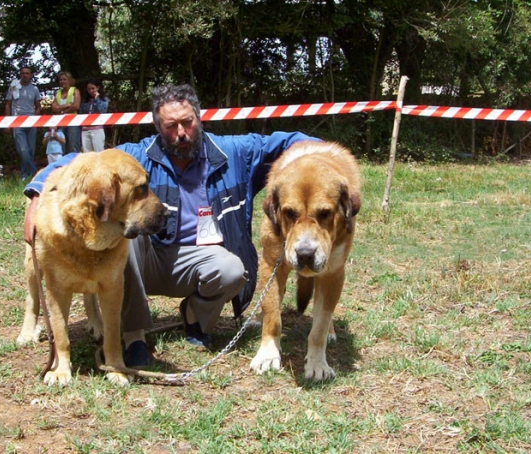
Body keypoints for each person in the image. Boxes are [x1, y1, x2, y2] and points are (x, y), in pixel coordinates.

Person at [23, 83, 320, 368]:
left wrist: (327, 160)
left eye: (187, 123)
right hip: (149, 260)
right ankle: (134, 335)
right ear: (157, 127)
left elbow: (286, 142)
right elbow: (80, 161)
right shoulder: (138, 156)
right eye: (170, 126)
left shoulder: (236, 152)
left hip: (202, 260)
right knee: (128, 230)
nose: (180, 133)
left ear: (199, 118)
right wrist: (37, 191)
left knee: (232, 270)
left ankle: (195, 318)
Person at [4, 66, 42, 180]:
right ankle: (35, 174)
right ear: (20, 74)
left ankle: (25, 175)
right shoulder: (14, 87)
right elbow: (8, 104)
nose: (25, 75)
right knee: (23, 150)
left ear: (31, 75)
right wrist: (7, 122)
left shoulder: (34, 89)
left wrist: (36, 119)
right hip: (17, 122)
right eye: (23, 73)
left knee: (30, 151)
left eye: (27, 73)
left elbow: (38, 106)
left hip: (31, 122)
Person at [51, 71, 81, 154]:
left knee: (73, 146)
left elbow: (76, 106)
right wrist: (66, 106)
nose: (62, 81)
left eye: (64, 79)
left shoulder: (75, 91)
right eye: (60, 80)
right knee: (61, 147)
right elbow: (53, 108)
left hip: (73, 122)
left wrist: (60, 110)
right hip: (61, 123)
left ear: (70, 80)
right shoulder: (58, 93)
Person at [79, 79, 109, 152]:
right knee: (87, 154)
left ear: (98, 87)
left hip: (97, 129)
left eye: (93, 88)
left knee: (99, 153)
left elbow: (102, 111)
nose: (91, 91)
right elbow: (81, 113)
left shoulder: (104, 99)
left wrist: (97, 99)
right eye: (89, 89)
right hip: (85, 130)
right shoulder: (85, 101)